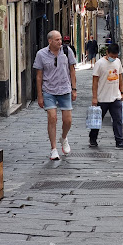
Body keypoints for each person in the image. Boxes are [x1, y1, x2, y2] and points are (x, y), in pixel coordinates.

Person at [33, 30, 77, 160]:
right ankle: (53, 149)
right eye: (57, 40)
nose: (60, 42)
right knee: (52, 118)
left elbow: (72, 71)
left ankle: (63, 138)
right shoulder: (41, 54)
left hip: (65, 89)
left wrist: (74, 89)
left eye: (60, 39)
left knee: (68, 120)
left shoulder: (67, 51)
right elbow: (39, 76)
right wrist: (40, 95)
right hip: (49, 90)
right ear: (50, 41)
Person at [89, 43, 123, 150]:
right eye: (112, 56)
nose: (113, 58)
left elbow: (120, 77)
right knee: (98, 120)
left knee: (118, 119)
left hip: (115, 97)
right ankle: (93, 138)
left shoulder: (118, 62)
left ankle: (120, 141)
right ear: (107, 53)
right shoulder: (99, 63)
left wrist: (121, 92)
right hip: (102, 97)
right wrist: (94, 97)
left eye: (115, 56)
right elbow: (95, 82)